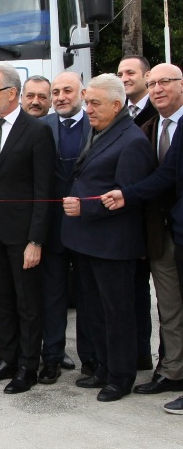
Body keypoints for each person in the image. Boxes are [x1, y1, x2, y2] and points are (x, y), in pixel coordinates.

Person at [62, 74, 155, 402]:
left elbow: (127, 199)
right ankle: (102, 366)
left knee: (117, 313)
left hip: (113, 245)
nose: (88, 109)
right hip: (86, 241)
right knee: (94, 310)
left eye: (95, 103)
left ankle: (121, 375)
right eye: (87, 102)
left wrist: (85, 209)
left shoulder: (132, 141)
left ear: (117, 105)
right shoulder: (100, 130)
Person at [0, 63, 55, 394]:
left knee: (27, 303)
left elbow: (43, 191)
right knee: (1, 300)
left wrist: (36, 239)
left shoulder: (37, 132)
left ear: (11, 93)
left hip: (22, 235)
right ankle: (7, 359)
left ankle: (27, 366)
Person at [127, 64, 183, 397]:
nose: (157, 89)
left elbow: (167, 177)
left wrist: (123, 195)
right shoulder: (147, 127)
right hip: (160, 234)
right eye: (152, 84)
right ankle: (172, 370)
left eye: (165, 82)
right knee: (169, 307)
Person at [38, 72, 87, 384]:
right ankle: (52, 357)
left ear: (81, 92)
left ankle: (93, 358)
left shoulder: (97, 125)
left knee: (88, 297)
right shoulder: (42, 127)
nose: (60, 97)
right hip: (51, 227)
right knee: (52, 297)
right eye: (56, 92)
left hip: (88, 228)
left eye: (67, 91)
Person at [118, 55, 156, 371]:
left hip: (151, 217)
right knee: (130, 290)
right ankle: (137, 352)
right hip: (125, 219)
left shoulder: (156, 112)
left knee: (144, 292)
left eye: (130, 72)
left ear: (146, 76)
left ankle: (148, 354)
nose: (124, 77)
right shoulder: (120, 113)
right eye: (120, 73)